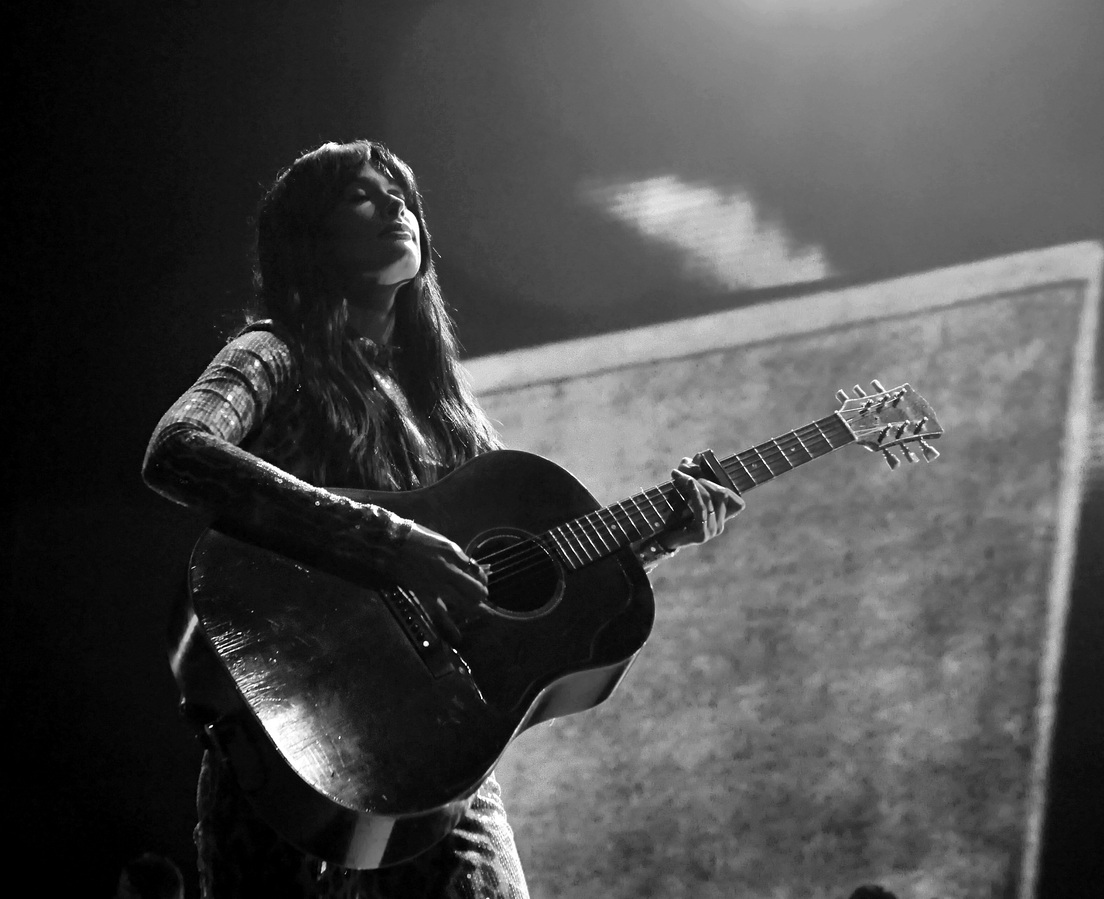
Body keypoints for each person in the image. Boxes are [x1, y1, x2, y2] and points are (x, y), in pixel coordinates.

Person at [142, 139, 745, 899]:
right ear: (308, 236)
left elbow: (517, 588)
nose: (396, 205)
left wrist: (660, 535)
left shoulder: (451, 412)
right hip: (286, 739)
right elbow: (177, 448)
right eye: (362, 195)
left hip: (441, 775)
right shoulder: (274, 353)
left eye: (401, 192)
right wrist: (386, 543)